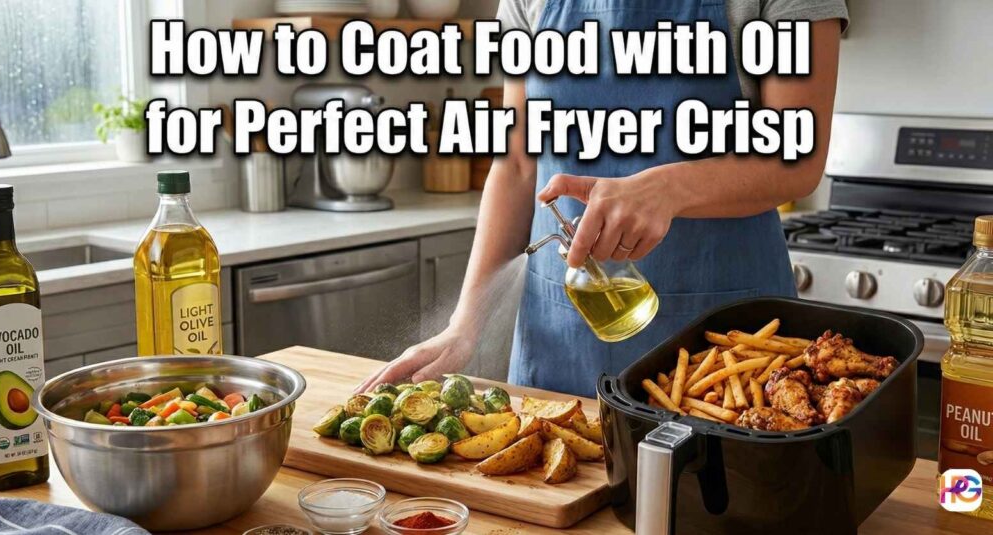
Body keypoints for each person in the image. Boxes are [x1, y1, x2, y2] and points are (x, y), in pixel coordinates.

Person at [359, 0, 848, 397]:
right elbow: (517, 166)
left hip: (725, 353)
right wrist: (464, 324)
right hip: (561, 346)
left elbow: (797, 161)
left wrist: (669, 188)